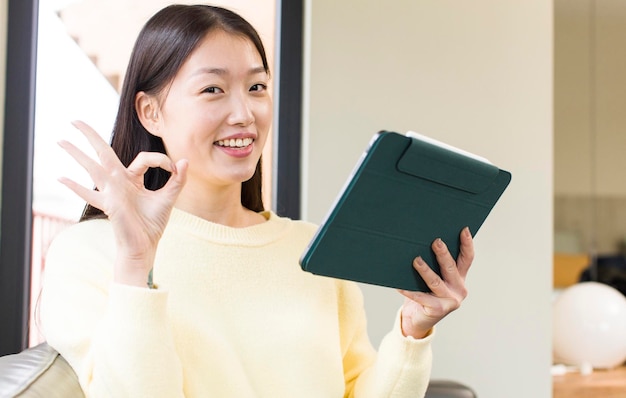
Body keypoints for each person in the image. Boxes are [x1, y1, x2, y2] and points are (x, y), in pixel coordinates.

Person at [40, 4, 474, 398]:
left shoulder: (312, 251)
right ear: (150, 111)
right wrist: (136, 266)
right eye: (213, 89)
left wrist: (413, 331)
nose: (245, 114)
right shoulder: (91, 254)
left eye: (257, 87)